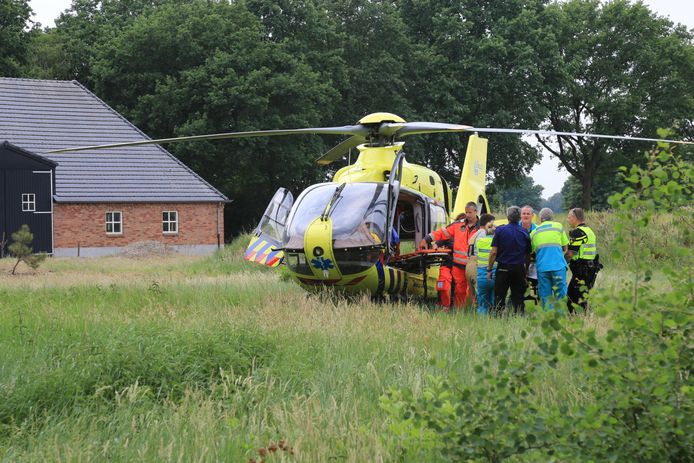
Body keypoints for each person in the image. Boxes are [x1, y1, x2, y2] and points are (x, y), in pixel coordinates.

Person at [419, 201, 480, 310]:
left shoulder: (481, 228)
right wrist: (426, 239)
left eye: (470, 212)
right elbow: (442, 233)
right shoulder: (457, 225)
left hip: (473, 265)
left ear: (476, 212)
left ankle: (472, 312)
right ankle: (459, 313)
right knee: (459, 290)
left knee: (472, 291)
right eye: (466, 212)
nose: (467, 215)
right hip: (458, 266)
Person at [487, 206, 531, 315]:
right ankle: (519, 317)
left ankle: (498, 317)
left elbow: (493, 252)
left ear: (507, 217)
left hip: (503, 267)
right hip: (519, 268)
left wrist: (489, 269)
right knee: (518, 296)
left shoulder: (500, 230)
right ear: (519, 217)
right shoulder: (524, 232)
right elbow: (528, 254)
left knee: (499, 296)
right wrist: (525, 270)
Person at [530, 208, 569, 311]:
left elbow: (532, 251)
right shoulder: (558, 227)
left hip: (543, 268)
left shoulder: (534, 232)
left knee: (545, 296)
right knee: (560, 294)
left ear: (541, 218)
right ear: (552, 218)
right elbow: (565, 248)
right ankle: (560, 319)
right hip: (558, 267)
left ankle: (548, 320)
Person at [566, 208, 601, 313]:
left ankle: (579, 320)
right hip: (590, 269)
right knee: (581, 296)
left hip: (581, 270)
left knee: (573, 298)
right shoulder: (589, 231)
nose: (568, 219)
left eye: (569, 217)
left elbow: (571, 253)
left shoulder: (577, 232)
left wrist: (561, 264)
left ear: (574, 217)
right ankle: (584, 318)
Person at [473, 214, 496, 314]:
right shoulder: (497, 243)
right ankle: (494, 322)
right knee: (495, 302)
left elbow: (474, 254)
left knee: (482, 303)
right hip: (494, 275)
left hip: (481, 275)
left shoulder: (479, 241)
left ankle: (482, 322)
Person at [521, 205, 539, 304]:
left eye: (528, 214)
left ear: (532, 216)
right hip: (519, 263)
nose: (526, 215)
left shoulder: (538, 229)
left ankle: (535, 309)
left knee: (534, 288)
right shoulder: (516, 227)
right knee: (520, 287)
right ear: (520, 215)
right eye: (524, 213)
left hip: (534, 263)